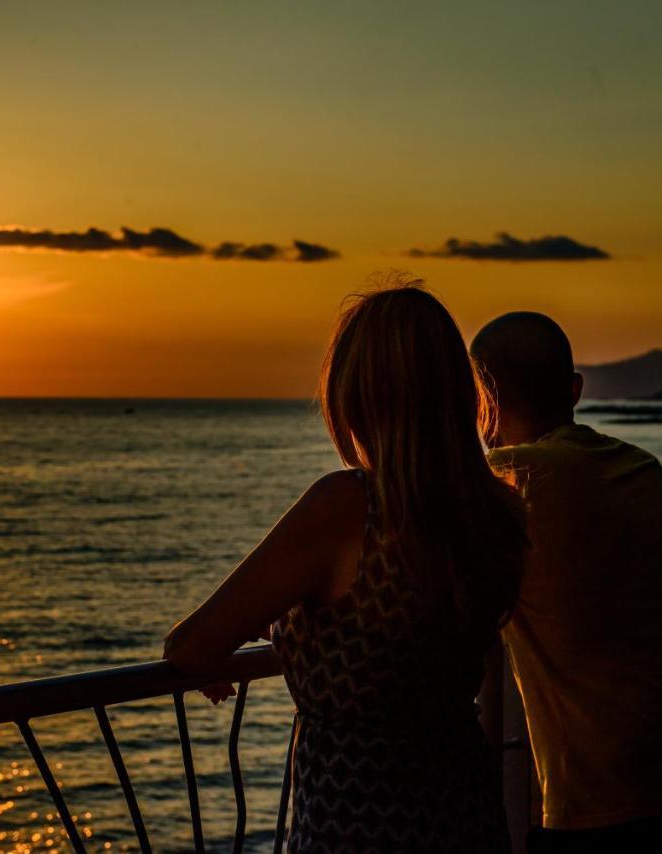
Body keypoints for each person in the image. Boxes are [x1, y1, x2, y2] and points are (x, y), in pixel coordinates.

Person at [164, 280, 527, 852]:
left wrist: (270, 630)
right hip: (464, 813)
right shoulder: (495, 512)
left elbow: (189, 647)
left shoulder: (345, 509)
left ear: (356, 393)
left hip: (354, 822)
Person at [471, 312, 662, 853]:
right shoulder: (640, 465)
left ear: (479, 404)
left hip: (616, 800)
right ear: (575, 390)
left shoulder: (511, 484)